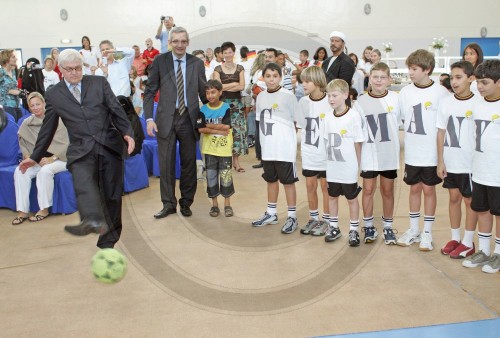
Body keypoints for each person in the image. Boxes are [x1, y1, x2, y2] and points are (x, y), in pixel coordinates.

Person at [18, 49, 135, 249]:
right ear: (60, 69)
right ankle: (90, 220)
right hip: (81, 150)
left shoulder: (99, 83)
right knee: (84, 186)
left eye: (78, 68)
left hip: (108, 145)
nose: (74, 72)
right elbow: (48, 128)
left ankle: (109, 239)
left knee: (112, 194)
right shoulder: (54, 94)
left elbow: (116, 109)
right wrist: (35, 157)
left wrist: (128, 132)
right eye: (70, 69)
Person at [143, 26, 207, 219]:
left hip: (189, 119)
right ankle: (168, 204)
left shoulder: (196, 63)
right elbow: (150, 91)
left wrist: (214, 113)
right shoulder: (160, 61)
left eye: (183, 41)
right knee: (166, 164)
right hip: (165, 119)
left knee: (188, 164)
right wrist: (149, 119)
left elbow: (204, 93)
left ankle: (186, 203)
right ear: (170, 42)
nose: (180, 45)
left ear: (188, 43)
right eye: (176, 41)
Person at [396, 49, 450, 250]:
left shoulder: (441, 93)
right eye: (409, 68)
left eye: (414, 69)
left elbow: (444, 126)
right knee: (414, 188)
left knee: (429, 189)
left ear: (427, 70)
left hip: (431, 153)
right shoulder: (405, 92)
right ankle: (413, 229)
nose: (410, 72)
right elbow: (399, 119)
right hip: (412, 151)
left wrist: (441, 157)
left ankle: (427, 232)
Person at [354, 62, 400, 245]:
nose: (379, 80)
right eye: (375, 77)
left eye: (382, 77)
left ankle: (388, 227)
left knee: (387, 191)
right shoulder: (360, 102)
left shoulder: (396, 99)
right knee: (368, 190)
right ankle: (369, 226)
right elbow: (357, 132)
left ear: (389, 80)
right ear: (369, 79)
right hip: (369, 154)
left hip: (389, 154)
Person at [436, 61, 478, 258]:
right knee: (454, 198)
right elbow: (441, 133)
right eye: (452, 78)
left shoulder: (478, 102)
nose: (454, 81)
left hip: (469, 163)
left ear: (471, 78)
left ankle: (468, 242)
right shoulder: (446, 103)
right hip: (451, 161)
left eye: (459, 77)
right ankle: (455, 237)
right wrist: (440, 160)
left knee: (470, 201)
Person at [251, 62, 300, 234]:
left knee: (288, 182)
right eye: (268, 76)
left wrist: (291, 143)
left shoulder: (288, 96)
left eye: (275, 76)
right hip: (268, 147)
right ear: (263, 78)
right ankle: (271, 213)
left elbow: (297, 122)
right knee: (270, 179)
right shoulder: (261, 97)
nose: (271, 80)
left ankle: (292, 216)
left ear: (280, 77)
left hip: (284, 147)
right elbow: (260, 123)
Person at [462, 60, 500, 273]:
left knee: (498, 213)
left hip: (497, 172)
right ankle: (484, 251)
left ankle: (498, 254)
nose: (480, 87)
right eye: (478, 82)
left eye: (485, 82)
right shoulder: (476, 104)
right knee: (482, 210)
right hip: (479, 170)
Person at [12, 92, 69, 225]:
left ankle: (44, 209)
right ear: (29, 107)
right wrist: (28, 158)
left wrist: (52, 159)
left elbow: (66, 143)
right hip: (37, 159)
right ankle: (22, 211)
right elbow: (23, 143)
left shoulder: (57, 119)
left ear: (44, 104)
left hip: (61, 158)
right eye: (32, 105)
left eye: (38, 104)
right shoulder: (27, 123)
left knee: (45, 171)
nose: (35, 107)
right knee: (20, 171)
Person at [322, 79, 365, 246]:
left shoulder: (353, 116)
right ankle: (334, 227)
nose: (331, 99)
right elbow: (327, 142)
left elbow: (358, 142)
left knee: (351, 198)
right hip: (333, 166)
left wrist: (358, 166)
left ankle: (353, 229)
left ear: (346, 95)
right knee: (332, 196)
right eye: (329, 96)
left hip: (348, 167)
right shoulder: (327, 117)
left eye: (335, 95)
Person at [295, 66, 331, 236]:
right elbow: (301, 125)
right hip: (309, 150)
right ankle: (313, 217)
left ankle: (327, 220)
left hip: (326, 152)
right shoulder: (303, 102)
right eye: (303, 81)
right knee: (310, 185)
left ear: (317, 81)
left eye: (307, 81)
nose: (304, 84)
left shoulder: (329, 101)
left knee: (325, 187)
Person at [196, 80, 234, 217]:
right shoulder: (203, 109)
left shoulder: (226, 107)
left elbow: (227, 127)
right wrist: (217, 130)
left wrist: (209, 126)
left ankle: (227, 204)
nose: (210, 95)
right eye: (207, 93)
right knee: (211, 177)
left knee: (226, 177)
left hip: (224, 150)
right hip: (209, 150)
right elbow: (201, 129)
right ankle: (214, 205)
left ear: (220, 92)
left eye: (213, 92)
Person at [212, 42, 247, 172]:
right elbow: (217, 87)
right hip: (222, 105)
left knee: (237, 133)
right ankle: (223, 161)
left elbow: (242, 86)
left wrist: (226, 85)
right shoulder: (217, 69)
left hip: (237, 104)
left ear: (234, 52)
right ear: (222, 54)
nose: (227, 54)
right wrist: (234, 83)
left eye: (230, 52)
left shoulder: (240, 68)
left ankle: (236, 162)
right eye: (225, 52)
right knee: (222, 132)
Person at [0, 49, 23, 121]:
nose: (16, 59)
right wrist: (9, 91)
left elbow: (13, 87)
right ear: (6, 59)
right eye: (13, 57)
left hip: (17, 105)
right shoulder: (1, 73)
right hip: (6, 106)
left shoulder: (13, 72)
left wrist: (19, 91)